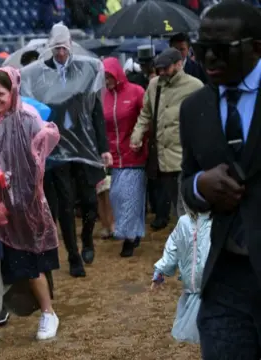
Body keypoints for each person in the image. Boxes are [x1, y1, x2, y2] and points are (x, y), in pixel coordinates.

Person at [179, 1, 261, 358]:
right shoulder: (193, 108)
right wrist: (200, 185)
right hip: (225, 281)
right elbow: (185, 182)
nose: (209, 59)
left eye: (221, 49)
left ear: (257, 46)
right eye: (201, 49)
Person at [0, 68, 61, 356]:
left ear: (12, 93)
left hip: (21, 207)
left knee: (29, 265)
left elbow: (38, 161)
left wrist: (13, 180)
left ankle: (48, 312)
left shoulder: (28, 119)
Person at [21, 22, 111, 277]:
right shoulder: (39, 75)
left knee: (91, 200)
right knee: (66, 204)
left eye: (63, 48)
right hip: (57, 150)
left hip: (84, 148)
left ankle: (88, 239)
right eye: (56, 49)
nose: (60, 54)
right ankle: (73, 256)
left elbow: (96, 112)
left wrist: (103, 147)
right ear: (51, 48)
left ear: (70, 46)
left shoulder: (86, 70)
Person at [130, 48, 203, 230]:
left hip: (185, 156)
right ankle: (190, 241)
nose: (162, 72)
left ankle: (192, 245)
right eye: (159, 68)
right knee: (176, 205)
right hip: (162, 158)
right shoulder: (155, 85)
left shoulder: (195, 86)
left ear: (179, 64)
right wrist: (137, 134)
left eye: (166, 68)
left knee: (184, 205)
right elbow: (145, 113)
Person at [102, 57, 148, 257]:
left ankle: (128, 238)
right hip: (113, 156)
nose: (107, 80)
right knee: (118, 196)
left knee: (127, 195)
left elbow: (146, 118)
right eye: (103, 77)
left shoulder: (136, 91)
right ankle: (134, 232)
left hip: (133, 153)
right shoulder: (103, 96)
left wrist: (140, 141)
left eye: (109, 76)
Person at [151, 205, 212, 344]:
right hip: (191, 289)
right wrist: (159, 272)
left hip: (213, 289)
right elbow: (172, 247)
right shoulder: (184, 222)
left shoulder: (218, 223)